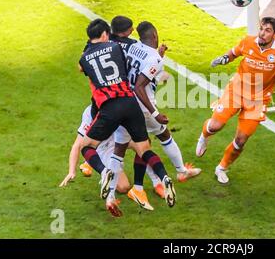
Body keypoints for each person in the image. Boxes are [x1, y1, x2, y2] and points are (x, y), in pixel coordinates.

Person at [196, 17, 275, 184]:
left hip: (258, 100)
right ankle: (204, 137)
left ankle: (221, 168)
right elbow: (233, 53)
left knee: (241, 140)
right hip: (236, 91)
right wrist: (223, 59)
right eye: (262, 29)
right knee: (215, 126)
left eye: (268, 31)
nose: (263, 33)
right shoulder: (248, 42)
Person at [79, 19, 176, 217]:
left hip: (110, 107)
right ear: (106, 34)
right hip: (131, 103)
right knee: (144, 148)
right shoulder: (117, 47)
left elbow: (83, 69)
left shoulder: (85, 58)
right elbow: (135, 63)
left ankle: (104, 172)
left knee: (87, 147)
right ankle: (164, 176)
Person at [111, 19, 201, 208]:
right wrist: (155, 113)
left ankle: (113, 193)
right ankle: (177, 172)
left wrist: (158, 57)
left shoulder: (134, 47)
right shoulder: (154, 58)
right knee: (161, 136)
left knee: (123, 148)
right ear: (154, 35)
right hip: (143, 107)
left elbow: (142, 68)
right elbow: (140, 86)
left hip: (124, 104)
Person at [59, 105, 131, 194]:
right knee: (124, 187)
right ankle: (96, 164)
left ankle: (144, 186)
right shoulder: (90, 113)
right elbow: (77, 145)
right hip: (104, 147)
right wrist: (71, 171)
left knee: (143, 143)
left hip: (118, 138)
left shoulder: (117, 105)